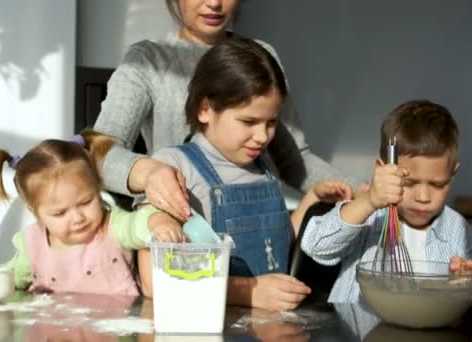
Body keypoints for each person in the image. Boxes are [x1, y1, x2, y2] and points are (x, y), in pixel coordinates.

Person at [93, 0, 360, 222]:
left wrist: (366, 193)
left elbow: (295, 162)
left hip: (261, 224)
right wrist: (150, 173)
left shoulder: (261, 55)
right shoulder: (149, 61)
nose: (214, 3)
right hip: (186, 234)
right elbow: (96, 153)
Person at [136, 37, 352, 311]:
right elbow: (155, 282)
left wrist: (311, 201)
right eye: (248, 121)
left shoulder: (263, 167)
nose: (262, 137)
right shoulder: (173, 168)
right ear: (205, 109)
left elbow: (277, 242)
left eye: (271, 122)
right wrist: (248, 291)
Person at [0, 130, 184, 296]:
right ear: (36, 213)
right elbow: (7, 276)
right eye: (59, 213)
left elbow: (137, 224)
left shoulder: (113, 227)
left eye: (86, 201)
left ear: (97, 187)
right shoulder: (32, 246)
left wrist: (158, 220)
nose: (77, 217)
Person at [301, 99, 472, 303]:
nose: (423, 198)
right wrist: (368, 201)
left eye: (437, 185)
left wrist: (467, 281)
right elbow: (316, 245)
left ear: (452, 175)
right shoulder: (369, 217)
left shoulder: (459, 231)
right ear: (383, 170)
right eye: (408, 183)